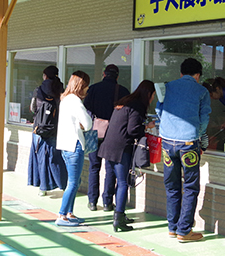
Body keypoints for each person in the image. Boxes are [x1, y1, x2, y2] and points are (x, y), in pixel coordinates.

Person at [156, 58, 211, 242]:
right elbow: (204, 119)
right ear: (197, 75)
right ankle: (184, 230)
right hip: (188, 144)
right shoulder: (202, 91)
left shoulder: (167, 87)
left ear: (181, 73)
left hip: (167, 143)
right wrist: (199, 136)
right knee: (190, 187)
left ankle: (172, 227)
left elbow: (159, 110)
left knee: (172, 185)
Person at [98, 80, 156, 232]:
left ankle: (115, 210)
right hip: (121, 147)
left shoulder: (125, 102)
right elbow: (132, 130)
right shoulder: (137, 106)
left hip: (108, 145)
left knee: (112, 177)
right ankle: (119, 219)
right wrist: (146, 127)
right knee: (123, 183)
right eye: (152, 96)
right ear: (149, 94)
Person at [83, 64, 130, 211]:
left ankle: (92, 201)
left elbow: (86, 109)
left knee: (94, 167)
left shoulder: (93, 89)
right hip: (113, 134)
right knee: (110, 168)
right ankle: (107, 202)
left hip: (94, 131)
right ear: (117, 76)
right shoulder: (122, 91)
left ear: (104, 74)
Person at [55, 70, 92, 227]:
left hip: (65, 145)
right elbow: (88, 123)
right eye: (86, 86)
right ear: (81, 86)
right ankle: (62, 215)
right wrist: (82, 125)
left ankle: (69, 213)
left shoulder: (64, 99)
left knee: (74, 181)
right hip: (75, 145)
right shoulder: (76, 101)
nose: (87, 89)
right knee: (73, 183)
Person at [28, 65, 67, 196]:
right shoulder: (62, 91)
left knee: (40, 157)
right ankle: (62, 184)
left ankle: (43, 187)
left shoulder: (38, 90)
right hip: (56, 128)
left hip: (39, 129)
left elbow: (33, 108)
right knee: (55, 157)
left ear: (45, 76)